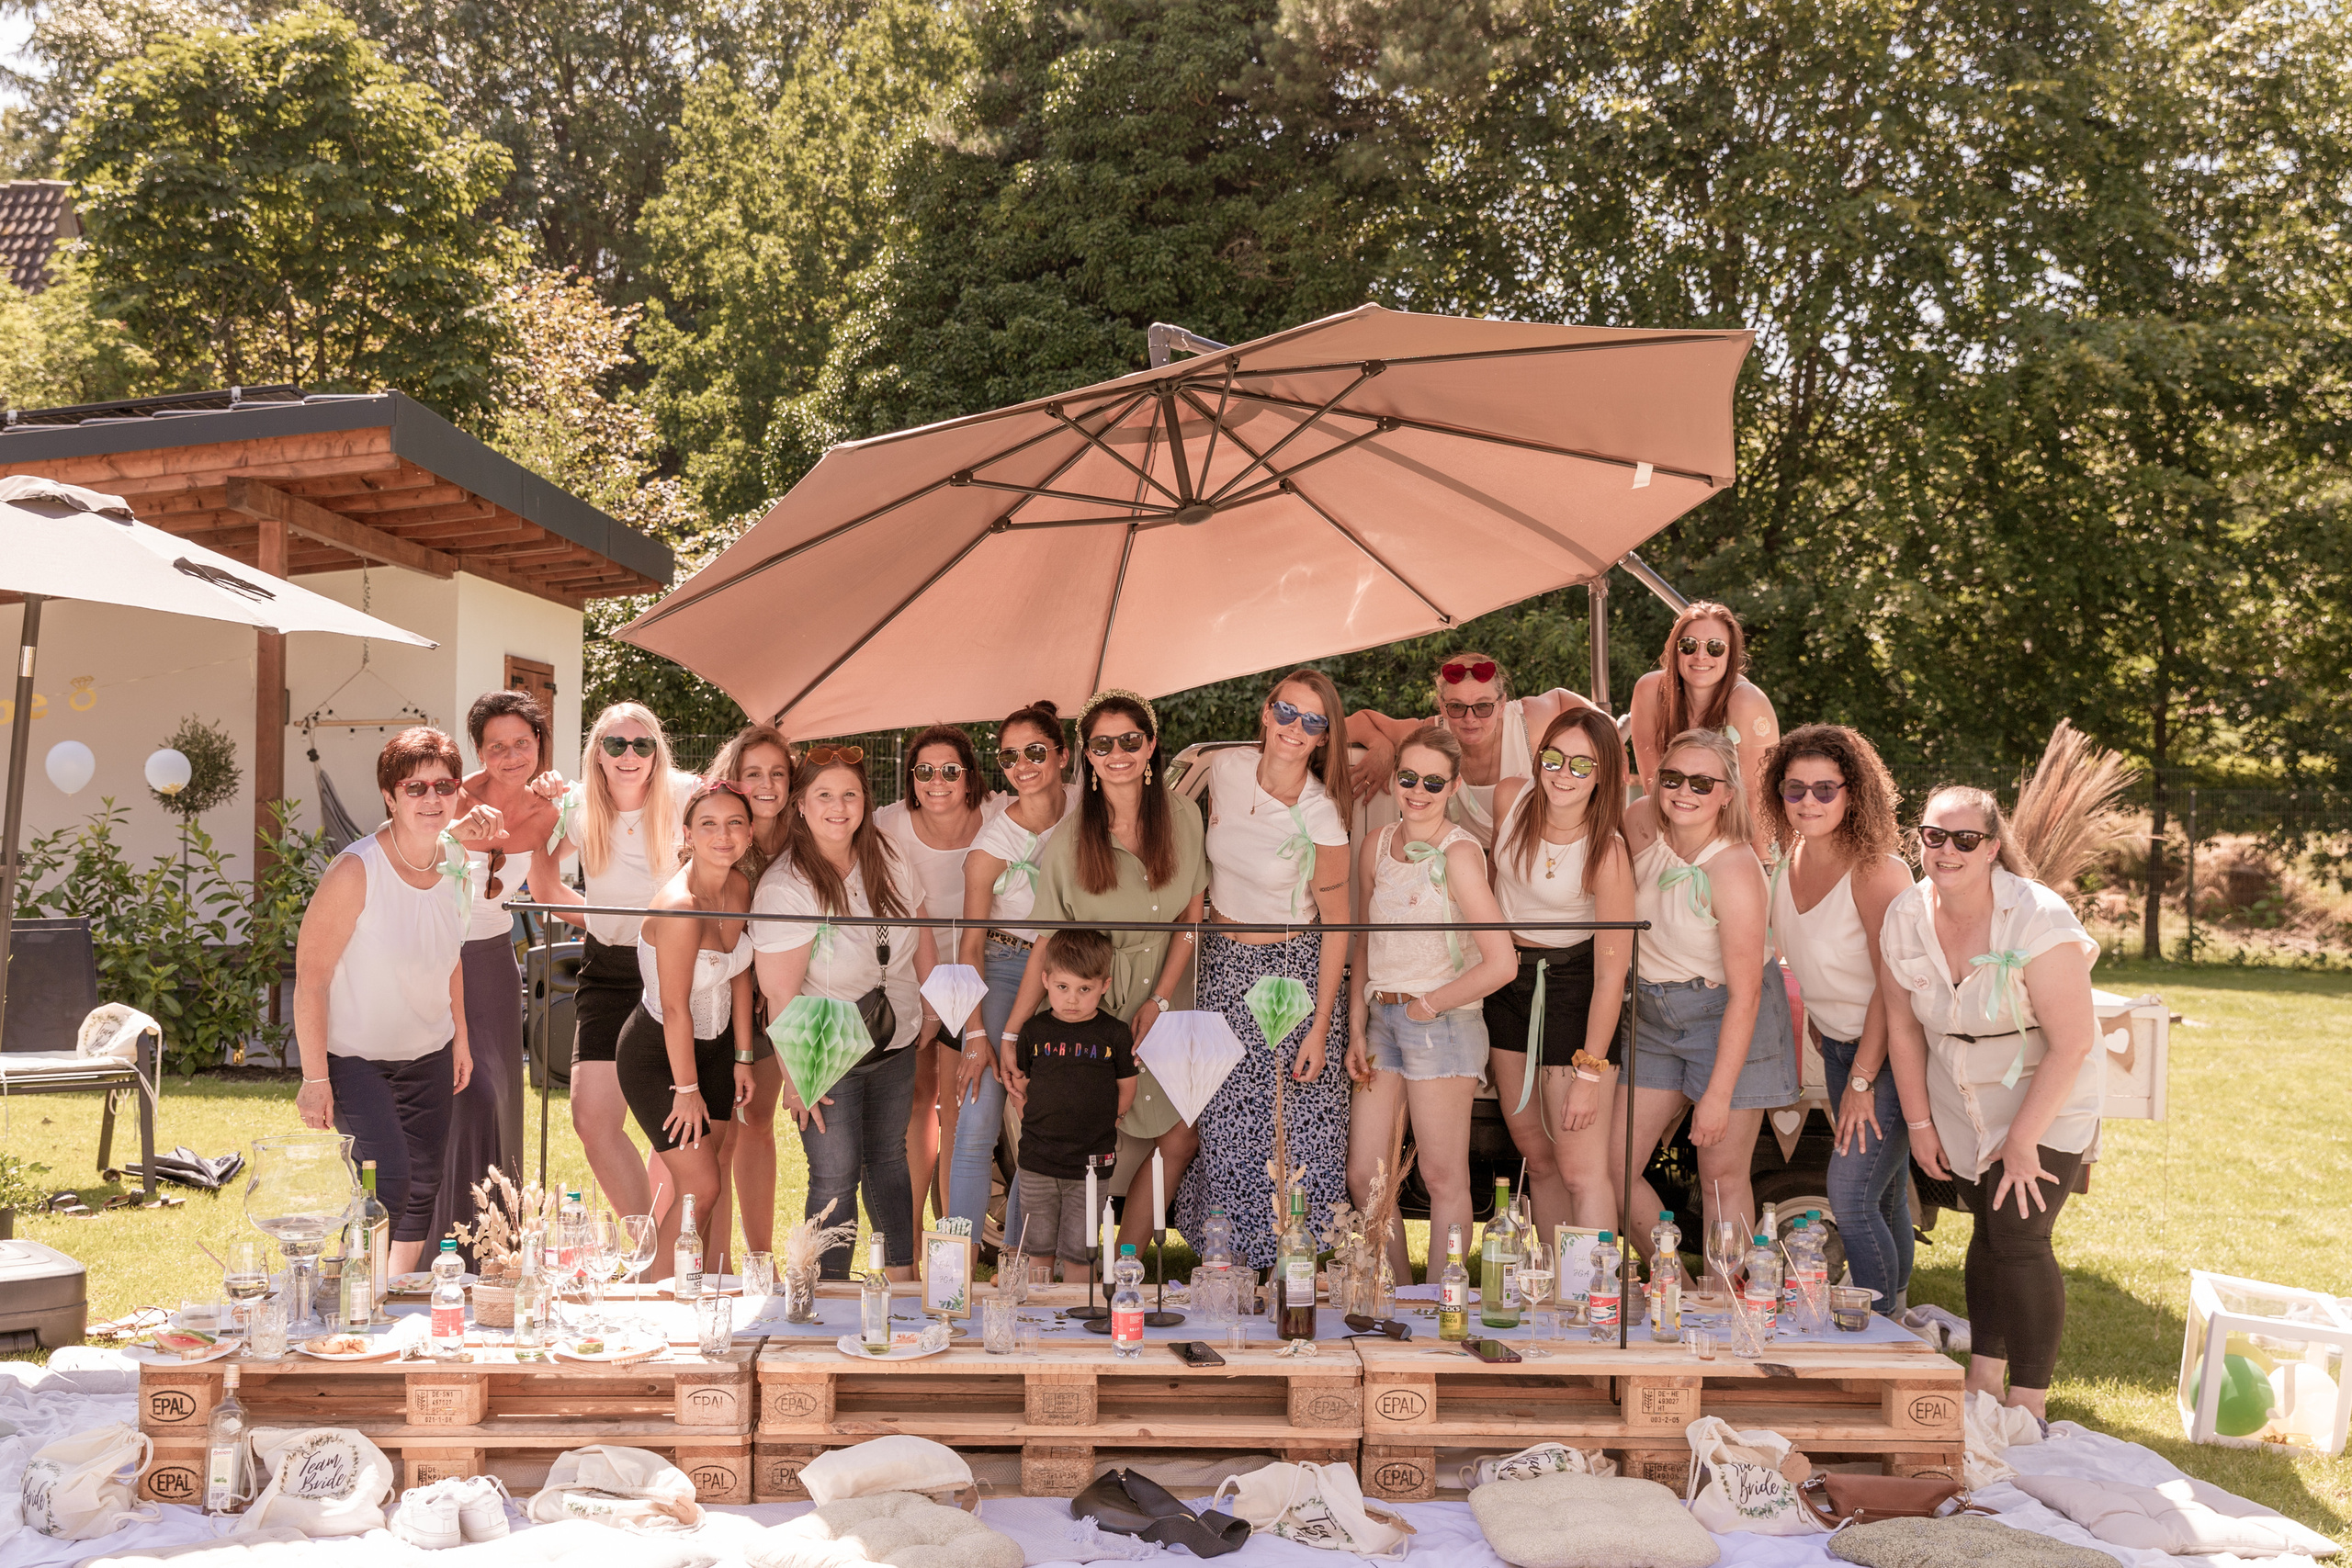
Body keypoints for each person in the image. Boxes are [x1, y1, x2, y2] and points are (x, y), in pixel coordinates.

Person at [1880, 787, 2100, 1416]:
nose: (1947, 850)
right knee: (1988, 1227)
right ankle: (1982, 1379)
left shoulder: (2038, 916)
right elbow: (1902, 1026)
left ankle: (2028, 1402)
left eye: (1965, 839)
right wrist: (1920, 1120)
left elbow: (2073, 1041)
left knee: (2021, 1233)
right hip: (1958, 1093)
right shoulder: (1904, 915)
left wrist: (2025, 1136)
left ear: (1992, 848)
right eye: (1933, 836)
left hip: (2046, 1087)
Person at [1001, 691, 1206, 1254]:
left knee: (1181, 1133)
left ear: (1151, 744)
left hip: (1164, 995)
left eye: (1130, 740)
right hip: (1088, 1005)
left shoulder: (1184, 816)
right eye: (1102, 744)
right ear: (1087, 756)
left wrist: (1160, 1000)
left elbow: (1192, 917)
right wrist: (1013, 1031)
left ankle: (1125, 1266)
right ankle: (1064, 1261)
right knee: (1081, 1138)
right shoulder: (1071, 837)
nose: (1118, 753)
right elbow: (1046, 939)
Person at [293, 728, 499, 1275]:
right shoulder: (355, 871)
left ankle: (391, 1297)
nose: (432, 799)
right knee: (389, 1181)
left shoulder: (457, 862)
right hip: (356, 1059)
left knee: (424, 1187)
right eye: (415, 788)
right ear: (390, 795)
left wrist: (460, 1038)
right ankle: (352, 1292)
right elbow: (311, 978)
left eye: (444, 785)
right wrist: (316, 1079)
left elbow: (450, 954)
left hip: (429, 1052)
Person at [1173, 669, 1353, 1269]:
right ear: (1265, 710)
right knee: (1226, 1129)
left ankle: (1292, 1278)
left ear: (1325, 736)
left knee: (1293, 1132)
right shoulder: (1223, 771)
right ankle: (1227, 1275)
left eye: (1312, 720)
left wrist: (1322, 1025)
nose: (1294, 728)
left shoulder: (1321, 815)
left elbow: (1338, 925)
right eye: (1285, 710)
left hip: (1290, 977)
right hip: (1222, 968)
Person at [752, 744, 941, 1279]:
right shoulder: (786, 886)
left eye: (850, 794)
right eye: (824, 795)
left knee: (889, 1162)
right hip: (822, 1043)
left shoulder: (889, 854)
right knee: (834, 1177)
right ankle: (824, 1289)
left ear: (865, 801)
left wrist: (928, 1012)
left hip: (894, 1032)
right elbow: (781, 997)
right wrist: (795, 1077)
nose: (839, 806)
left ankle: (903, 1279)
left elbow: (920, 928)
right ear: (801, 806)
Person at [1344, 724, 1519, 1279]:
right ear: (1395, 779)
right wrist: (1355, 1024)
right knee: (1367, 1175)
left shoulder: (1459, 853)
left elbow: (1502, 961)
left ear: (1454, 785)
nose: (1419, 791)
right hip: (1381, 1022)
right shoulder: (1376, 844)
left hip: (1439, 1024)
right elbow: (1364, 939)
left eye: (1434, 782)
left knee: (1443, 1177)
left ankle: (1445, 1301)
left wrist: (1430, 1004)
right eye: (1409, 778)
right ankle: (1395, 1292)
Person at [1614, 728, 1793, 1252]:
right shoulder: (1641, 823)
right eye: (1673, 778)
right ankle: (1679, 1288)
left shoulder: (1734, 869)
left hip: (1727, 1014)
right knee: (1612, 1166)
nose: (1684, 791)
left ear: (1726, 793)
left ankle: (1726, 1302)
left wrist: (1715, 1097)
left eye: (1701, 782)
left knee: (1719, 1173)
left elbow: (1747, 994)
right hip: (1650, 1013)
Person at [1759, 725, 1915, 1314]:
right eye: (1795, 789)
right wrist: (1828, 1031)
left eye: (1826, 789)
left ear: (1854, 793)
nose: (1809, 802)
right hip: (1843, 1048)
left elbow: (1892, 986)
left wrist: (1860, 1080)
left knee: (1848, 1200)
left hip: (1892, 1055)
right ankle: (1899, 1320)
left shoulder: (1876, 871)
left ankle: (1873, 1328)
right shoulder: (1786, 862)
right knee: (1888, 1197)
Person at [527, 703, 695, 1220]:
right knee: (592, 1120)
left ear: (656, 753)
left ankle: (663, 1259)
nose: (629, 755)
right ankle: (647, 1248)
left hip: (675, 969)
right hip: (606, 969)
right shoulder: (575, 805)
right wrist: (602, 921)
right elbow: (544, 886)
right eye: (616, 745)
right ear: (597, 753)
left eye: (641, 745)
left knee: (671, 1122)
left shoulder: (687, 795)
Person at [1480, 706, 1636, 1238]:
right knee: (1537, 1159)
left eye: (1581, 765)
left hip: (1574, 992)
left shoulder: (1608, 852)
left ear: (1604, 774)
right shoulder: (1510, 798)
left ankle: (1594, 1302)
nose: (1563, 773)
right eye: (1553, 757)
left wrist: (1589, 1075)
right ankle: (1548, 1301)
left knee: (1580, 1170)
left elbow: (1613, 974)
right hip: (1505, 985)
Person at [432, 690, 561, 1261]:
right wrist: (453, 834)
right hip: (436, 959)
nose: (511, 756)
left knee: (499, 1100)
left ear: (539, 746)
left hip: (493, 965)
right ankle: (437, 1244)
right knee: (467, 1096)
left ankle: (496, 1251)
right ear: (479, 751)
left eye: (522, 744)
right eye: (496, 746)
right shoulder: (450, 799)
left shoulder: (550, 811)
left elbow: (554, 893)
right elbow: (406, 860)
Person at [616, 779, 757, 1276]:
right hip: (661, 1056)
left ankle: (686, 1289)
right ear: (687, 835)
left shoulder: (739, 886)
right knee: (702, 1186)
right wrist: (686, 1088)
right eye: (709, 825)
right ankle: (651, 1299)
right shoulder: (679, 907)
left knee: (705, 1181)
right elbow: (675, 1008)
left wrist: (742, 1057)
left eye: (735, 823)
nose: (724, 835)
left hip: (717, 1052)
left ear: (750, 832)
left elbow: (740, 973)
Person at [956, 700, 1076, 1246]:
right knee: (979, 1121)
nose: (1021, 766)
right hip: (1003, 968)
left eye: (1034, 752)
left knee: (1043, 1124)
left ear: (1062, 755)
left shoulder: (1086, 813)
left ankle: (1020, 1260)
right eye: (1008, 757)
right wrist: (975, 1032)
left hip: (1069, 973)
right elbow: (971, 944)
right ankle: (954, 1264)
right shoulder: (991, 846)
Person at [876, 725, 1000, 1239]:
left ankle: (950, 1246)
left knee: (957, 1111)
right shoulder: (888, 823)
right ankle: (907, 1247)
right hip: (910, 976)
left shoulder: (997, 817)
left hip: (975, 976)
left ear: (970, 779)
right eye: (924, 771)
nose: (937, 781)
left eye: (950, 770)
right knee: (915, 1102)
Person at [1345, 651, 1600, 847]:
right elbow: (1352, 723)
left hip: (1532, 852)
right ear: (1442, 707)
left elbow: (1563, 698)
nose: (1470, 719)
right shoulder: (1432, 734)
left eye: (1483, 706)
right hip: (1466, 857)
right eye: (1457, 707)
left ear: (1501, 704)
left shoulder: (1526, 722)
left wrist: (1611, 746)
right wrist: (1381, 745)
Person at [1003, 929, 1136, 1278]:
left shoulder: (1114, 1033)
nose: (1072, 999)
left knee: (1082, 1252)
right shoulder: (1034, 1031)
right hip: (1038, 1161)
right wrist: (1026, 1116)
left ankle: (1079, 1318)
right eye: (1062, 987)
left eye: (1084, 989)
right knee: (1038, 1250)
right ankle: (1043, 1325)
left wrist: (1114, 1119)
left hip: (1090, 1166)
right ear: (1045, 980)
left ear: (1104, 986)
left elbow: (1127, 1085)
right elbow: (1021, 1084)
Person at [707, 725, 794, 1255]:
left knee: (758, 1121)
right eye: (754, 773)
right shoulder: (720, 835)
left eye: (778, 774)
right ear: (735, 779)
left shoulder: (803, 836)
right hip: (719, 999)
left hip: (779, 998)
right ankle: (714, 1267)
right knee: (720, 1131)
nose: (766, 784)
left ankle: (761, 1261)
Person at [1627, 602, 1780, 848]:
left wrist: (1762, 867)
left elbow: (1759, 801)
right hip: (1673, 830)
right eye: (1688, 645)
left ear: (1730, 654)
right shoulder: (1650, 691)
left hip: (1737, 837)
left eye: (1715, 647)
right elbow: (1653, 785)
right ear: (1675, 649)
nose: (1700, 656)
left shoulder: (1747, 702)